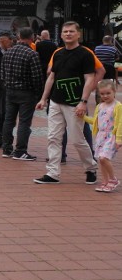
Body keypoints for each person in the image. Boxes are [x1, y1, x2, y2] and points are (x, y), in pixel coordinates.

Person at [33, 21, 99, 185]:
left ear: (78, 34)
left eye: (71, 31)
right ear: (61, 35)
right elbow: (52, 77)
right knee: (53, 137)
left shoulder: (85, 54)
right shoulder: (58, 53)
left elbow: (89, 78)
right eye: (65, 32)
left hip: (74, 103)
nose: (68, 34)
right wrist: (43, 98)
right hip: (55, 101)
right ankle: (52, 173)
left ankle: (91, 168)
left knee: (77, 139)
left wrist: (83, 102)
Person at [0, 27, 44, 160]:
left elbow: (2, 74)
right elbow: (37, 77)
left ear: (19, 37)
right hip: (26, 92)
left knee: (8, 120)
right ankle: (20, 151)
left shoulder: (7, 52)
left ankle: (6, 149)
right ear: (32, 38)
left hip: (10, 91)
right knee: (24, 122)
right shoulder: (32, 54)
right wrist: (39, 95)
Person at [84, 79, 122, 192]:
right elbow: (95, 121)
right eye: (102, 93)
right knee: (101, 160)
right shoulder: (100, 106)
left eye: (108, 93)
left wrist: (119, 138)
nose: (105, 96)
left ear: (114, 91)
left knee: (104, 157)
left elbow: (120, 122)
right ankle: (105, 181)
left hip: (111, 136)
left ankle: (113, 179)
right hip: (101, 136)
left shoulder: (118, 106)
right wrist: (83, 118)